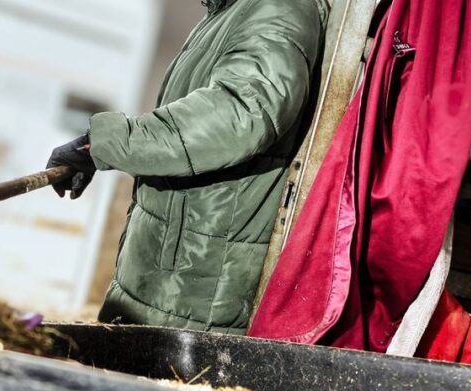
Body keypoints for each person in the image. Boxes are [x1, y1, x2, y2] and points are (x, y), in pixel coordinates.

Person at [47, 0, 328, 334]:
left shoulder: (277, 7)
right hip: (171, 282)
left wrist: (108, 143)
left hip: (195, 292)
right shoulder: (228, 13)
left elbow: (242, 113)